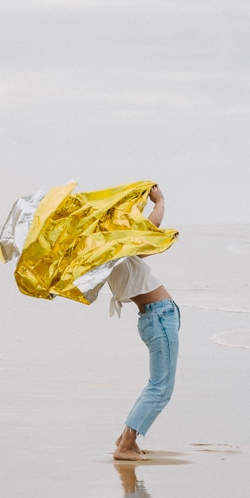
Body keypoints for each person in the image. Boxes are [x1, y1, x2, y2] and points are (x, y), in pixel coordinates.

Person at [108, 185, 180, 461]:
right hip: (159, 316)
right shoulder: (117, 252)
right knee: (161, 388)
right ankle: (125, 444)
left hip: (155, 317)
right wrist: (159, 201)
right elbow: (152, 228)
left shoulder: (109, 257)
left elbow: (148, 244)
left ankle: (128, 437)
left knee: (156, 383)